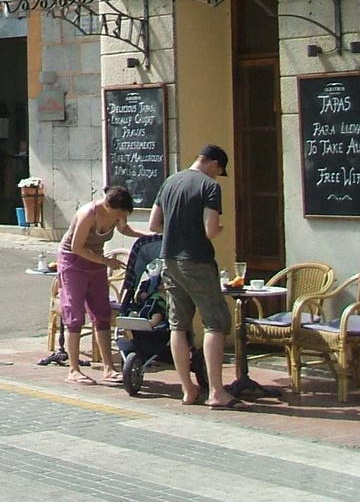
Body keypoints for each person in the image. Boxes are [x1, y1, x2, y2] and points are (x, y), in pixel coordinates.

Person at [148, 144, 235, 408]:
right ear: (215, 164)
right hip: (197, 260)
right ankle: (217, 391)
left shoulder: (170, 181)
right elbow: (210, 230)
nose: (218, 176)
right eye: (220, 171)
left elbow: (153, 225)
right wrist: (217, 228)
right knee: (215, 322)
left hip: (169, 260)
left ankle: (188, 389)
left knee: (178, 324)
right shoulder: (209, 186)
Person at [57, 184, 138, 384]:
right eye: (118, 213)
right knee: (74, 315)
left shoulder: (118, 213)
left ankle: (109, 368)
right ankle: (73, 370)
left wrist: (148, 236)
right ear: (109, 206)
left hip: (96, 262)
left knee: (101, 313)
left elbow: (124, 229)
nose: (120, 217)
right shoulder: (88, 214)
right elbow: (76, 247)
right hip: (73, 262)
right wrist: (105, 262)